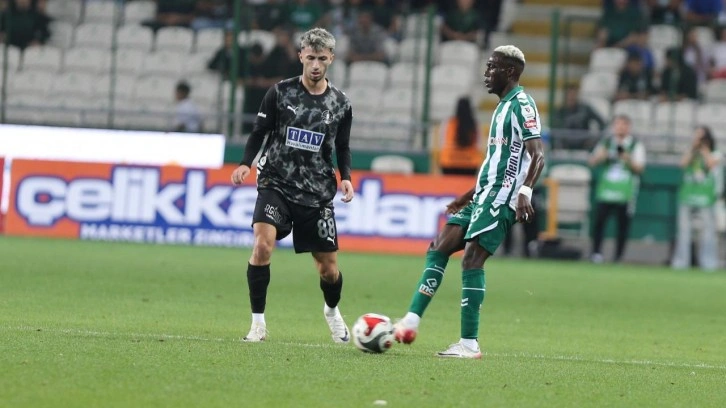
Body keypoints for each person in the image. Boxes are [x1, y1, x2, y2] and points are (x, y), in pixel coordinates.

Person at [393, 45, 546, 359]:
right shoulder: (501, 107)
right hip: (483, 195)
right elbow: (496, 160)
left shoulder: (522, 105)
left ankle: (469, 344)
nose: (486, 73)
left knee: (472, 260)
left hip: (501, 197)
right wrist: (469, 195)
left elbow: (538, 155)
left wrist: (525, 192)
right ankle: (410, 321)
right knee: (439, 246)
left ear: (510, 72)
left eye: (492, 67)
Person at [230, 28, 355, 344]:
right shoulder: (280, 93)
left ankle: (332, 311)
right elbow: (259, 131)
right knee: (262, 246)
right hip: (276, 183)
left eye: (321, 59)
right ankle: (258, 324)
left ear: (331, 59)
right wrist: (246, 163)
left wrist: (346, 177)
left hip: (316, 193)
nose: (315, 65)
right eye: (310, 57)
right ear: (301, 56)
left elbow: (343, 146)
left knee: (328, 270)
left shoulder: (341, 103)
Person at [587, 115, 646, 264]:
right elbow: (592, 161)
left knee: (622, 226)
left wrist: (627, 158)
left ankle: (618, 256)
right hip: (605, 191)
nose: (620, 128)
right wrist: (603, 156)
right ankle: (596, 253)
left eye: (623, 125)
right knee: (599, 224)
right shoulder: (606, 143)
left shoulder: (635, 145)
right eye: (618, 124)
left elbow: (640, 168)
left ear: (629, 127)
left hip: (625, 192)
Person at [672, 126, 723, 270]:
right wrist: (693, 148)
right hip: (688, 194)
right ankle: (682, 262)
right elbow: (682, 164)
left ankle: (708, 262)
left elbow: (711, 164)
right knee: (684, 230)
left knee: (708, 231)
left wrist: (704, 149)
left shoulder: (716, 153)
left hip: (706, 196)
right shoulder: (690, 151)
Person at [437, 96, 483, 175]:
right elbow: (479, 144)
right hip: (470, 164)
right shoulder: (474, 125)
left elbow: (442, 142)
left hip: (449, 163)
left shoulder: (449, 123)